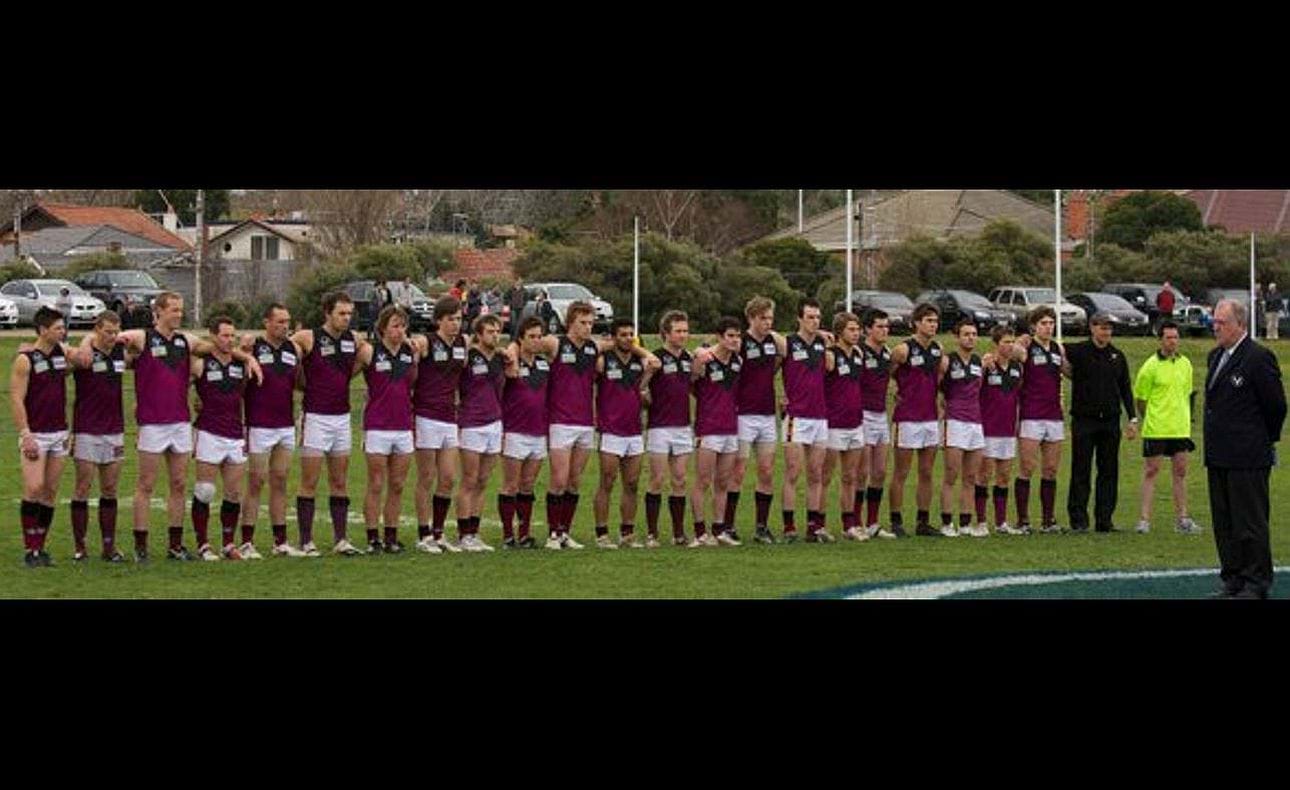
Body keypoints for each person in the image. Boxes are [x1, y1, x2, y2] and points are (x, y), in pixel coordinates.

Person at [115, 292, 262, 561]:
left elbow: (221, 347)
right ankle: (141, 547)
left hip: (180, 422)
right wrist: (92, 341)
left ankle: (175, 545)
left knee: (180, 484)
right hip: (152, 423)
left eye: (181, 309)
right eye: (173, 309)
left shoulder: (186, 341)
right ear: (158, 311)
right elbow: (110, 336)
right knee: (146, 484)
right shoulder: (143, 337)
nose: (179, 314)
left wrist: (249, 358)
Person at [527, 300, 655, 549]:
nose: (587, 327)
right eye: (582, 323)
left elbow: (623, 343)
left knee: (575, 481)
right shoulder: (555, 343)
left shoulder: (593, 347)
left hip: (585, 422)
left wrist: (645, 353)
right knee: (559, 480)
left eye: (590, 323)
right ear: (570, 322)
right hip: (560, 421)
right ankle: (553, 534)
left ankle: (564, 532)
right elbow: (527, 341)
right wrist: (511, 348)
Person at [1203, 299, 1285, 598]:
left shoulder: (1258, 357)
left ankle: (1256, 581)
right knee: (1224, 522)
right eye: (1214, 321)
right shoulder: (1215, 356)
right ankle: (1233, 577)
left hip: (1248, 455)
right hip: (1219, 454)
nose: (1216, 327)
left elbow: (1275, 406)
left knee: (1249, 521)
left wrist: (1262, 440)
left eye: (1221, 322)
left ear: (1240, 324)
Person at [290, 291, 368, 556]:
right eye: (341, 314)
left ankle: (341, 539)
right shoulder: (308, 337)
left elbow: (358, 364)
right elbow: (289, 359)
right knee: (309, 481)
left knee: (340, 481)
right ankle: (306, 541)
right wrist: (301, 383)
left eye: (349, 314)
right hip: (315, 417)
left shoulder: (354, 340)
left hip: (342, 418)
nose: (346, 318)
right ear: (327, 313)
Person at [11, 307, 88, 566]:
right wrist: (26, 434)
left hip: (58, 433)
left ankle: (40, 548)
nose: (62, 331)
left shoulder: (60, 353)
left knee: (50, 491)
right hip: (36, 434)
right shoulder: (25, 359)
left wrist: (74, 350)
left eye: (63, 328)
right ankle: (29, 549)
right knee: (33, 488)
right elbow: (16, 399)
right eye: (57, 328)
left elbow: (81, 360)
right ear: (43, 330)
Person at [240, 302, 308, 558]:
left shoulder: (293, 349)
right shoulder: (252, 347)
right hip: (259, 424)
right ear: (266, 322)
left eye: (287, 321)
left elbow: (300, 381)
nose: (284, 326)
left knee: (280, 481)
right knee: (256, 482)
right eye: (279, 321)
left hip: (285, 424)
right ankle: (247, 541)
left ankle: (280, 542)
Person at [1063, 312, 1137, 533]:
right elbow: (1055, 350)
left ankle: (1104, 520)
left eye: (1109, 328)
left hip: (1110, 422)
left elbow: (1125, 388)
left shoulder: (1117, 356)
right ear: (1092, 328)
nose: (1106, 332)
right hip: (1084, 420)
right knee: (1081, 471)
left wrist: (1132, 418)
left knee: (1108, 471)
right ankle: (1079, 520)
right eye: (1102, 327)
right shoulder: (1079, 350)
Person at [354, 306, 418, 554]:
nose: (399, 331)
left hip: (403, 426)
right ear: (382, 328)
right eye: (394, 325)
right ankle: (373, 537)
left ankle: (391, 535)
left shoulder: (409, 352)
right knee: (376, 484)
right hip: (377, 426)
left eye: (403, 326)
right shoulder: (370, 352)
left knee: (398, 484)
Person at [69, 311, 131, 562]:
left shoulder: (119, 352)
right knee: (83, 487)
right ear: (96, 329)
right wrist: (85, 341)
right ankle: (80, 547)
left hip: (114, 430)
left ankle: (108, 547)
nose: (112, 337)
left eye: (116, 332)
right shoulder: (83, 355)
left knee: (109, 489)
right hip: (87, 430)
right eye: (107, 332)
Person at [189, 315, 251, 561]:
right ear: (212, 336)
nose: (229, 340)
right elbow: (179, 385)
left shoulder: (240, 365)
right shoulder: (201, 363)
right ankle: (203, 544)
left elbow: (243, 395)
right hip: (208, 432)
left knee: (234, 493)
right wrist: (193, 403)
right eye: (224, 335)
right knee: (205, 491)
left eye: (232, 336)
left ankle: (228, 543)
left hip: (235, 433)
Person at [411, 295, 468, 554]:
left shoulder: (463, 343)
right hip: (426, 415)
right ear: (438, 321)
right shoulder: (427, 342)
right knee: (426, 477)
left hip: (449, 417)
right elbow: (411, 348)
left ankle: (439, 532)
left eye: (459, 319)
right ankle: (423, 535)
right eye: (451, 319)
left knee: (447, 478)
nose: (456, 324)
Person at [1133, 321, 1201, 535]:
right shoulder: (1150, 366)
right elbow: (1141, 399)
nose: (1173, 341)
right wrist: (1151, 418)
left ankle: (1182, 519)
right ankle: (1144, 520)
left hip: (1180, 428)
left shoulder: (1186, 364)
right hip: (1157, 428)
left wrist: (1185, 419)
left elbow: (1188, 394)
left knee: (1180, 472)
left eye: (1175, 337)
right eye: (1169, 337)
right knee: (1151, 471)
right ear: (1160, 340)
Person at [730, 297, 787, 544]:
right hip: (743, 413)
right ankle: (727, 525)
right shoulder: (740, 342)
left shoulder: (774, 342)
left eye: (770, 318)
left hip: (766, 414)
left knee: (766, 471)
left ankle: (761, 527)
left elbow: (783, 355)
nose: (767, 323)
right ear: (751, 318)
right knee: (738, 471)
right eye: (762, 318)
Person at [641, 310, 697, 547]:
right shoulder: (655, 358)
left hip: (683, 426)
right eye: (678, 331)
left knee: (680, 479)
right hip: (659, 427)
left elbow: (694, 386)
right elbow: (640, 390)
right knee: (657, 478)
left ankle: (678, 533)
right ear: (666, 333)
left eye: (685, 331)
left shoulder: (688, 358)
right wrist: (647, 376)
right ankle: (652, 534)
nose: (683, 335)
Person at [778, 298, 833, 542]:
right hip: (797, 417)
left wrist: (827, 342)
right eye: (809, 317)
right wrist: (780, 393)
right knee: (792, 472)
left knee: (816, 473)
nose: (814, 321)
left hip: (820, 417)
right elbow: (770, 371)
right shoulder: (788, 343)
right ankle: (789, 527)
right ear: (799, 318)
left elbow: (830, 369)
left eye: (817, 317)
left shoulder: (823, 344)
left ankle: (813, 526)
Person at [453, 313, 508, 552]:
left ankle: (474, 532)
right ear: (479, 334)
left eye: (497, 331)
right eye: (490, 331)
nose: (495, 335)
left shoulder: (500, 358)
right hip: (472, 423)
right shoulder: (468, 356)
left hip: (494, 422)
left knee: (483, 481)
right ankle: (463, 534)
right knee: (469, 479)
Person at [889, 302, 943, 537]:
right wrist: (892, 387)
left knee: (927, 472)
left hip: (929, 417)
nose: (933, 325)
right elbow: (885, 373)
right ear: (917, 323)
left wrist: (940, 399)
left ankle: (923, 521)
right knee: (901, 472)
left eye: (935, 321)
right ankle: (896, 521)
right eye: (928, 320)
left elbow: (938, 377)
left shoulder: (937, 349)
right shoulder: (903, 349)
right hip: (908, 417)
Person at [689, 317, 744, 547]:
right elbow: (691, 382)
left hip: (730, 428)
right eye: (730, 336)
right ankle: (700, 532)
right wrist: (697, 357)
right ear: (720, 337)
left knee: (723, 481)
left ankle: (719, 529)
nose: (735, 340)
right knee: (703, 480)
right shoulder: (704, 359)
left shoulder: (738, 361)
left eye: (737, 336)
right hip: (708, 428)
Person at [592, 319, 648, 549]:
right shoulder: (603, 361)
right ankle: (602, 533)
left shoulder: (640, 362)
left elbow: (645, 389)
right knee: (607, 481)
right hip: (610, 429)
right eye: (623, 334)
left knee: (632, 483)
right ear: (613, 337)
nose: (627, 338)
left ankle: (627, 531)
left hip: (634, 430)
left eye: (630, 335)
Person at [1011, 306, 1067, 534]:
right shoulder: (1026, 348)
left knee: (1051, 469)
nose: (1048, 327)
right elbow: (1010, 352)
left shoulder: (1057, 348)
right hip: (1031, 413)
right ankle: (1023, 520)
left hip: (1053, 414)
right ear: (1034, 326)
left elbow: (1068, 371)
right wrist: (1019, 340)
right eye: (1043, 323)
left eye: (1051, 323)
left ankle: (1048, 520)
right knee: (1027, 467)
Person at [499, 317, 549, 549]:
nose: (537, 341)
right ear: (520, 339)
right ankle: (508, 535)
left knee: (528, 484)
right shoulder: (510, 363)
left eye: (540, 336)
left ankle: (525, 533)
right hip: (514, 430)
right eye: (532, 336)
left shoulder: (544, 363)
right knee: (510, 484)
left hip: (538, 431)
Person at [939, 318, 988, 537]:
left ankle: (966, 522)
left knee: (971, 476)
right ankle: (947, 522)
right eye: (966, 334)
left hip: (975, 422)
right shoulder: (948, 360)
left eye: (974, 334)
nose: (971, 338)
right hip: (955, 420)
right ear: (957, 337)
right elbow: (936, 386)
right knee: (951, 474)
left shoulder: (980, 361)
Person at [822, 312, 868, 541]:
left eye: (858, 329)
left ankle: (849, 524)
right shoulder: (830, 356)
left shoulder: (858, 354)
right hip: (833, 424)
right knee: (825, 476)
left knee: (850, 476)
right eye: (851, 329)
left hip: (855, 423)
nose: (856, 333)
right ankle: (818, 523)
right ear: (840, 332)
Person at [978, 325, 1025, 535]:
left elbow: (1018, 395)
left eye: (1012, 341)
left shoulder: (1017, 367)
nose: (1009, 345)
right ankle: (980, 521)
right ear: (996, 344)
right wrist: (982, 368)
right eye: (1005, 342)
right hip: (988, 428)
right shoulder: (988, 365)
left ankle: (1001, 522)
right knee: (984, 475)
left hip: (1008, 429)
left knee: (1004, 476)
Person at [857, 309, 895, 538]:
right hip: (862, 415)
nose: (884, 330)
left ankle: (873, 522)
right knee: (861, 472)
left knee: (879, 471)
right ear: (868, 329)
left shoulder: (888, 353)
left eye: (886, 326)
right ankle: (856, 521)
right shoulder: (860, 352)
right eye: (879, 326)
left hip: (881, 415)